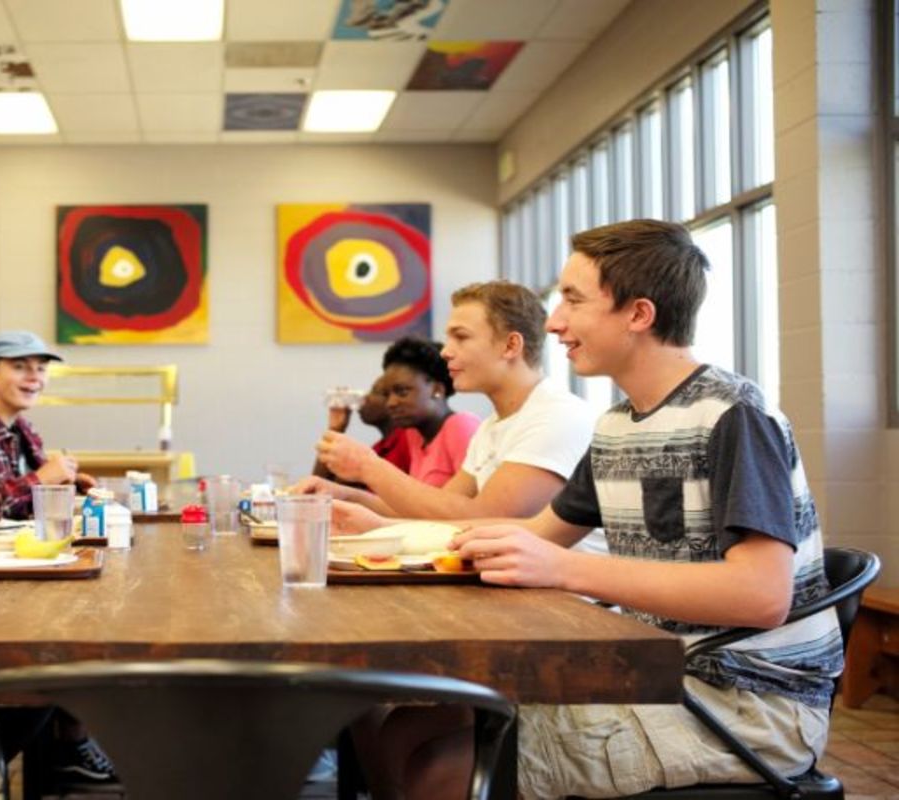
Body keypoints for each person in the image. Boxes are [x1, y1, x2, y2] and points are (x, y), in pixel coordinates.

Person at [370, 220, 840, 799]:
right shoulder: (616, 426)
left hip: (746, 708)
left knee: (439, 770)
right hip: (656, 675)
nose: (553, 322)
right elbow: (538, 534)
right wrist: (383, 530)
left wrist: (565, 569)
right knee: (405, 730)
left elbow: (761, 595)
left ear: (638, 315)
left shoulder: (732, 414)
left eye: (573, 300)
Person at [299, 282, 598, 534]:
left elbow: (485, 519)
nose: (445, 351)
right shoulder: (491, 427)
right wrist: (346, 496)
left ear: (510, 346)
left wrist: (367, 466)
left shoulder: (557, 416)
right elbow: (438, 510)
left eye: (461, 337)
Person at [0, 330, 95, 519]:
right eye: (20, 367)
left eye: (41, 368)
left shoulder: (24, 428)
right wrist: (41, 479)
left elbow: (25, 494)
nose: (34, 377)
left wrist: (68, 481)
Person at [311, 375, 414, 481]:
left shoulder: (408, 442)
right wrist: (335, 428)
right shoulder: (379, 449)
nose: (364, 398)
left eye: (375, 392)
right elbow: (318, 485)